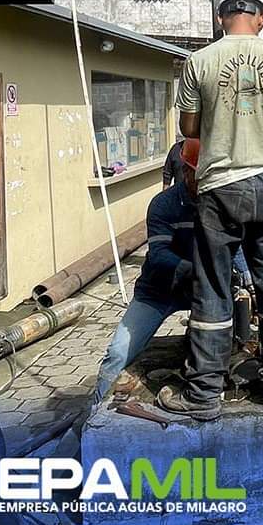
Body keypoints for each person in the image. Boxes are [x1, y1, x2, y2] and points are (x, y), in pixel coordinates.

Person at [159, 0, 263, 420]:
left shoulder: (198, 62)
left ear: (220, 17)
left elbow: (189, 129)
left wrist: (218, 116)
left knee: (213, 287)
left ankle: (205, 394)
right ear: (262, 17)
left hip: (220, 186)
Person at [94, 139, 200, 402]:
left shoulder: (221, 202)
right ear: (186, 172)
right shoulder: (164, 204)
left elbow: (237, 248)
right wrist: (195, 269)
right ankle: (95, 410)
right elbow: (159, 255)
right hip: (158, 291)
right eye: (201, 174)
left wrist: (246, 279)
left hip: (202, 291)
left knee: (222, 347)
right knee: (118, 353)